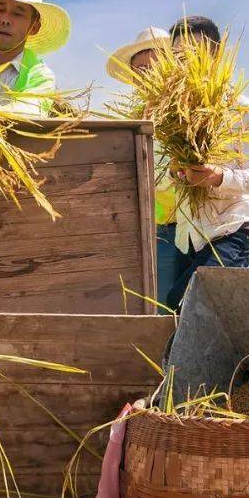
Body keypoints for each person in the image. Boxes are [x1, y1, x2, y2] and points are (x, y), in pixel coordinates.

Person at [163, 16, 249, 311]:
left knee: (187, 302)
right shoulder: (176, 115)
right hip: (190, 234)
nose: (183, 63)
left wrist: (218, 176)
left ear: (215, 56)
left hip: (232, 228)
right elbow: (170, 174)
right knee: (184, 310)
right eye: (176, 57)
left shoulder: (243, 109)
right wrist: (177, 171)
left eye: (191, 55)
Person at [108, 27, 175, 309]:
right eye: (141, 71)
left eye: (155, 67)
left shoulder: (191, 113)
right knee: (153, 305)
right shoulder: (134, 121)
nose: (149, 76)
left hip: (185, 228)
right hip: (150, 229)